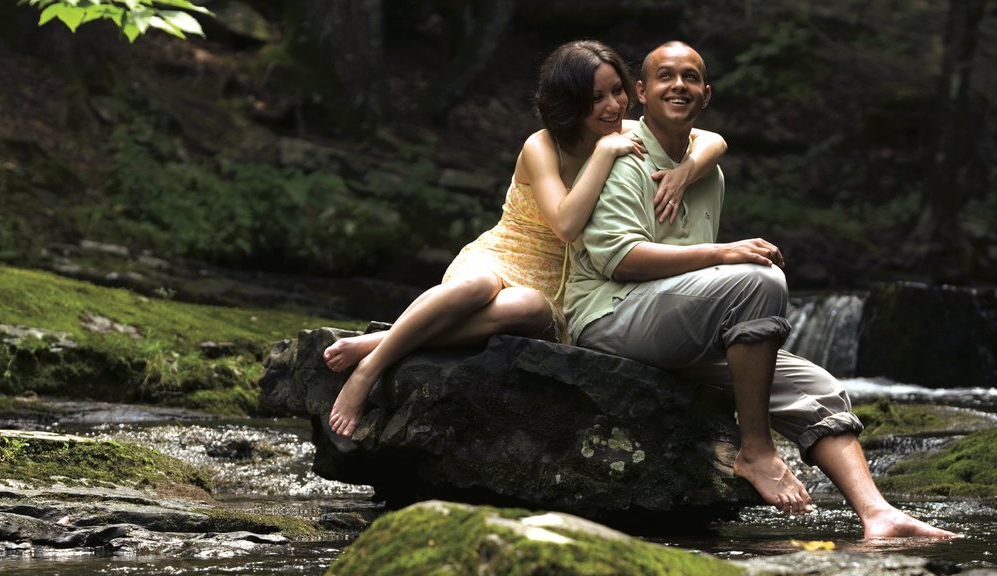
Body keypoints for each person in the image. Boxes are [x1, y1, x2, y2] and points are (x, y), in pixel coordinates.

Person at [564, 40, 957, 539]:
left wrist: (693, 183)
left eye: (690, 78)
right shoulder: (621, 153)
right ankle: (757, 449)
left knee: (820, 388)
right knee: (759, 279)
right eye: (665, 76)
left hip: (672, 322)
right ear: (641, 92)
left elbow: (709, 153)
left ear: (706, 94)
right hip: (609, 316)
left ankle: (879, 514)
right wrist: (722, 253)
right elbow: (619, 259)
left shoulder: (708, 171)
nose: (678, 85)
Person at [322, 40, 728, 438]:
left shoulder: (626, 130)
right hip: (507, 253)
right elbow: (566, 225)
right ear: (569, 102)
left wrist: (684, 171)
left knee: (524, 305)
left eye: (617, 91)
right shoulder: (544, 145)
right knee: (477, 286)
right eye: (595, 98)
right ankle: (371, 368)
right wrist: (604, 153)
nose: (612, 106)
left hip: (560, 283)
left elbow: (713, 141)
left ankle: (385, 338)